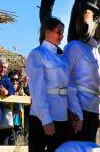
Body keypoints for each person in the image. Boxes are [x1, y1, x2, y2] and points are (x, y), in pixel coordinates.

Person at [26, 17, 82, 151]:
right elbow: (37, 89)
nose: (62, 36)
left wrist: (78, 114)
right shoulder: (37, 54)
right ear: (46, 31)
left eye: (63, 33)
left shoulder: (61, 58)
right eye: (58, 32)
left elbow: (69, 88)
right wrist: (45, 119)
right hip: (42, 116)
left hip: (62, 116)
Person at [63, 22, 100, 142]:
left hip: (93, 110)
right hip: (78, 109)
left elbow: (96, 89)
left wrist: (98, 112)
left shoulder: (98, 55)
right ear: (93, 27)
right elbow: (65, 80)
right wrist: (76, 113)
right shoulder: (75, 46)